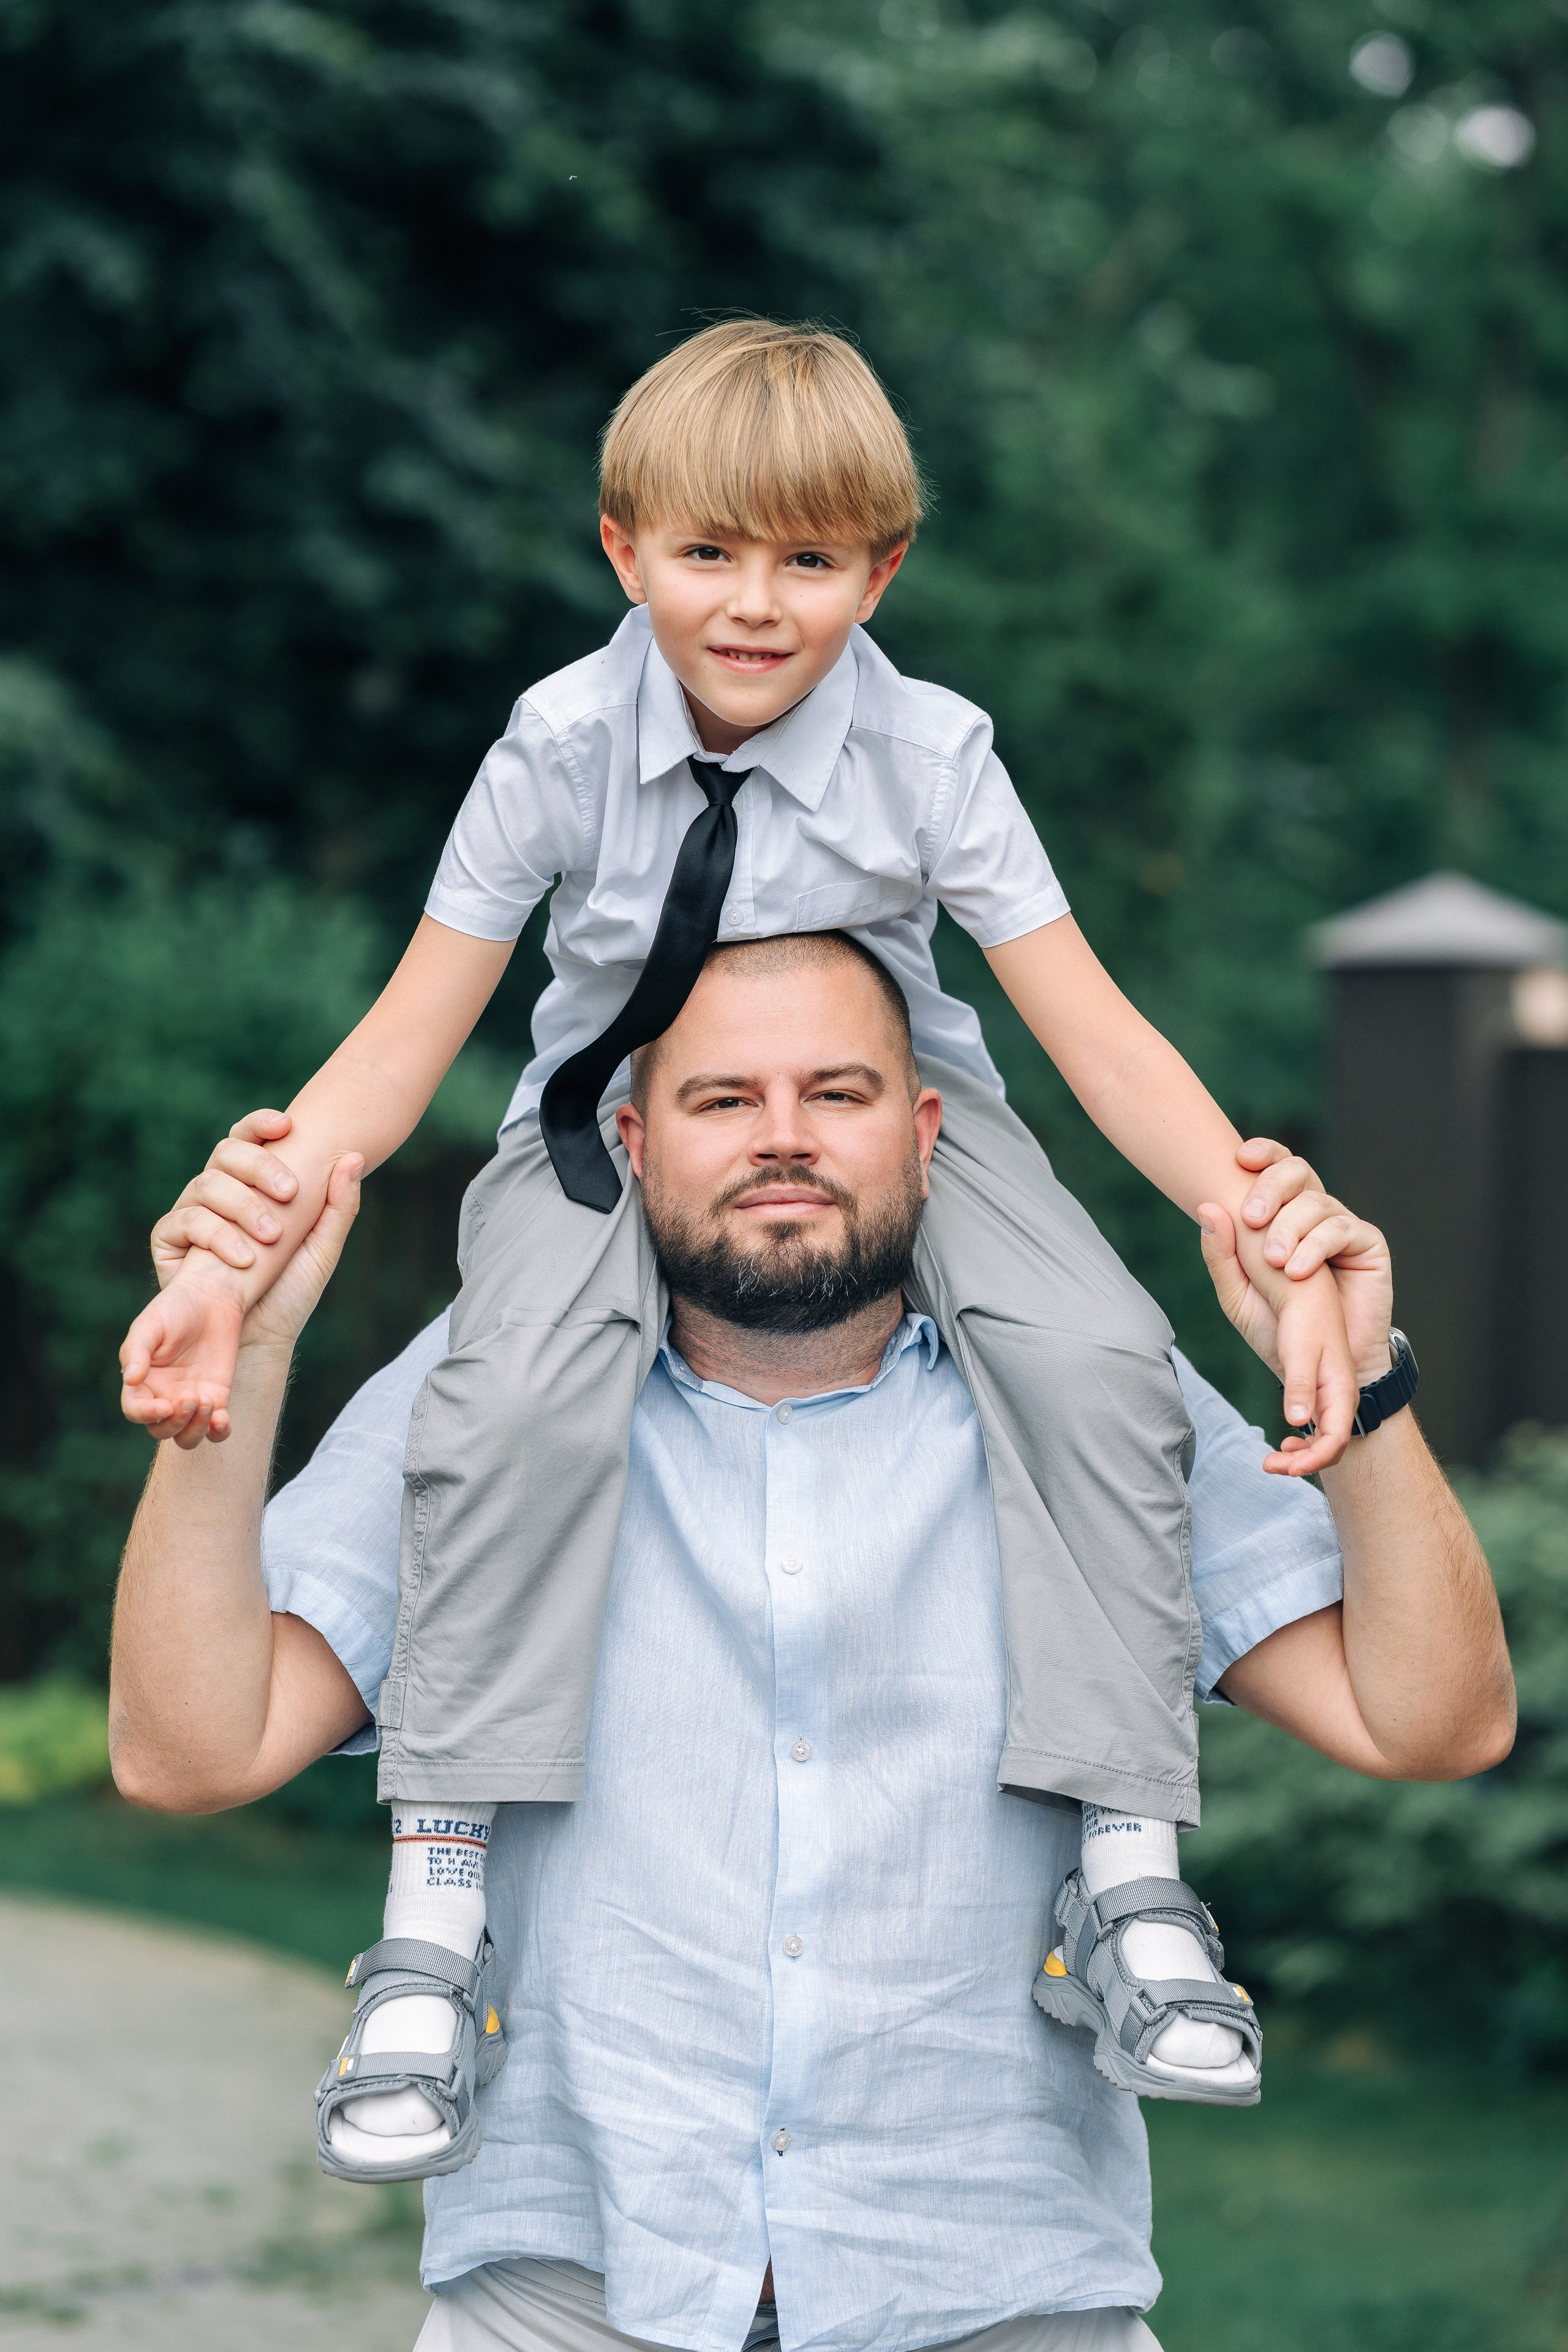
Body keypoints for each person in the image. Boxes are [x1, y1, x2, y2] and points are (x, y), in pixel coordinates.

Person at [119, 319, 1363, 2163]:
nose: (758, 605)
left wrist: (1256, 1228)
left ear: (883, 570)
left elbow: (1093, 1031)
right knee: (509, 1401)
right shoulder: (556, 747)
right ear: (624, 551)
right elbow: (404, 1039)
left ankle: (1126, 1864)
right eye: (709, 553)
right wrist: (237, 1257)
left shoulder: (933, 756)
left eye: (810, 559)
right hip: (611, 1130)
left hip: (902, 1128)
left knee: (1102, 1363)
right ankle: (436, 1907)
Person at [112, 934, 1513, 2352]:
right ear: (631, 1142)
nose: (781, 1137)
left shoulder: (1089, 1390)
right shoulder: (485, 1393)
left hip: (1007, 2306)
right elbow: (189, 1753)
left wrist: (1357, 1381)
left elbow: (1430, 1721)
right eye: (723, 1099)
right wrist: (248, 1350)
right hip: (561, 2308)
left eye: (835, 1093)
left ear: (923, 1131)